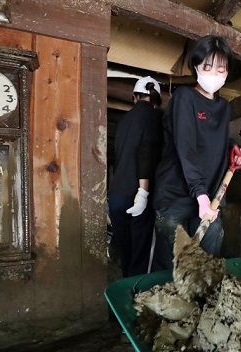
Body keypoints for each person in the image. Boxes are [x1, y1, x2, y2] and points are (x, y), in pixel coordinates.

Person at [151, 35, 241, 271]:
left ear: (227, 72)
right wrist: (200, 195)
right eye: (207, 67)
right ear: (196, 67)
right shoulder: (184, 98)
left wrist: (232, 149)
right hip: (176, 197)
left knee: (207, 266)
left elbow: (214, 143)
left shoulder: (224, 107)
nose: (214, 74)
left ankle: (198, 307)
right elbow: (186, 147)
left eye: (220, 69)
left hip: (209, 201)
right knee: (172, 268)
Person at [107, 76, 163, 277]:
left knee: (127, 254)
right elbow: (146, 151)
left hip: (116, 196)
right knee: (142, 259)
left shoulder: (123, 121)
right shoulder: (155, 118)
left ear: (134, 97)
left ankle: (124, 299)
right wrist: (143, 191)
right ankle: (136, 303)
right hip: (138, 195)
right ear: (156, 99)